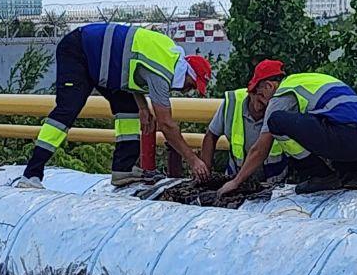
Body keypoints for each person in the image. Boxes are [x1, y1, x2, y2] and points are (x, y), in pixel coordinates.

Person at [12, 22, 212, 188]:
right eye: (192, 85)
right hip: (78, 50)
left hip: (102, 63)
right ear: (187, 73)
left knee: (128, 110)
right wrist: (193, 160)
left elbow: (131, 65)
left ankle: (122, 171)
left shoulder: (167, 55)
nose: (189, 91)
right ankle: (31, 174)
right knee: (67, 110)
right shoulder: (163, 72)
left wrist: (142, 107)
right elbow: (167, 124)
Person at [218, 61, 357, 196]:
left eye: (261, 95)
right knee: (324, 122)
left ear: (268, 85)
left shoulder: (281, 95)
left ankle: (320, 175)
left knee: (277, 121)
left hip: (346, 139)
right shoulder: (306, 81)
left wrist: (236, 182)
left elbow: (260, 149)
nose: (263, 104)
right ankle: (354, 174)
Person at [199, 59, 291, 182]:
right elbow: (211, 136)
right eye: (260, 99)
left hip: (274, 183)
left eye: (269, 103)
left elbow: (259, 151)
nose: (263, 107)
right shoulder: (232, 103)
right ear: (252, 91)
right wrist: (205, 173)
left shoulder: (282, 106)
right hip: (235, 177)